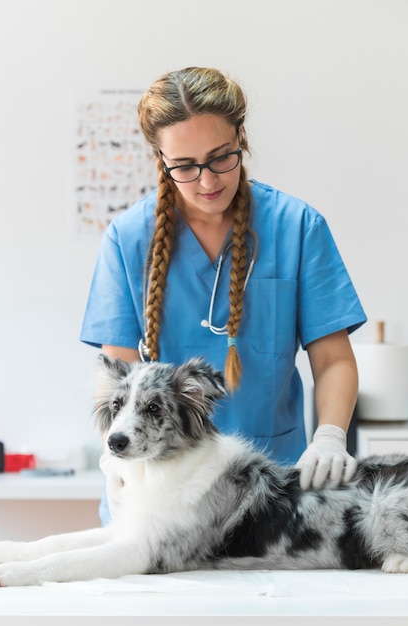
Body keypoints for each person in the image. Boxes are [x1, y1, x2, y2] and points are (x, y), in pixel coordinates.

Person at [80, 66, 367, 525]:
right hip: (158, 493)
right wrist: (114, 460)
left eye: (220, 158)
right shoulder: (129, 238)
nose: (208, 181)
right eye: (185, 167)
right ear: (160, 158)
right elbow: (116, 373)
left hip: (270, 490)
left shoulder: (297, 228)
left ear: (242, 139)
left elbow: (333, 359)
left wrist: (330, 436)